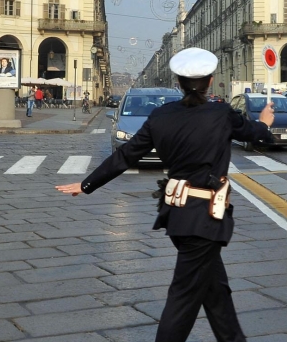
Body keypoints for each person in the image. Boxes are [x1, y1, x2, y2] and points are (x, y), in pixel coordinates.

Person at [56, 48, 274, 342]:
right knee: (183, 299)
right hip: (204, 219)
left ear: (179, 82)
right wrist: (265, 122)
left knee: (215, 291)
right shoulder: (221, 114)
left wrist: (86, 184)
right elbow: (254, 133)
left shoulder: (160, 116)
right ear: (210, 82)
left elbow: (126, 155)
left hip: (177, 214)